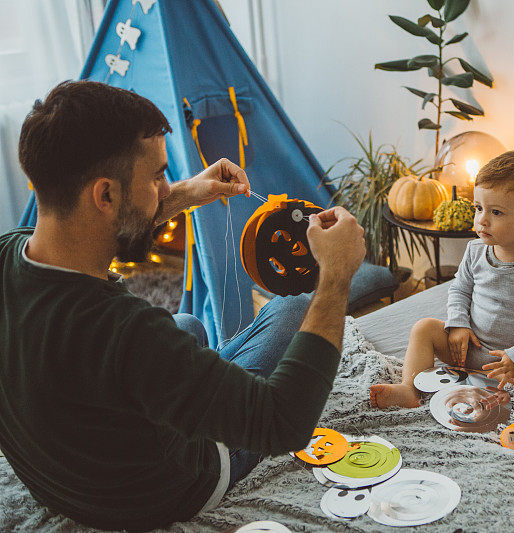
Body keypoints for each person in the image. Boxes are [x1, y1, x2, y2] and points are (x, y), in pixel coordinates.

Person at [0, 80, 365, 530]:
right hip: (166, 492)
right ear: (106, 195)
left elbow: (98, 231)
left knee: (187, 323)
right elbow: (283, 422)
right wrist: (336, 277)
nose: (165, 185)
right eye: (157, 176)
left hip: (66, 479)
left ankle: (200, 384)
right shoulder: (130, 332)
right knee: (293, 312)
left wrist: (188, 193)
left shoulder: (8, 253)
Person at [370, 150, 514, 409]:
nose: (481, 220)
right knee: (424, 328)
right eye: (478, 208)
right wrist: (458, 325)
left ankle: (486, 388)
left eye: (496, 212)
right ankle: (410, 390)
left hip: (507, 363)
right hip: (464, 348)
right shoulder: (475, 251)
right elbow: (460, 290)